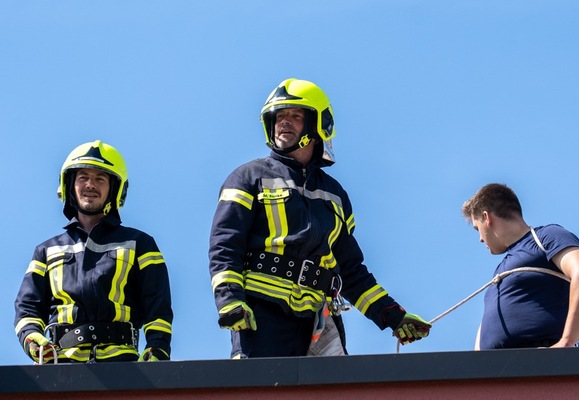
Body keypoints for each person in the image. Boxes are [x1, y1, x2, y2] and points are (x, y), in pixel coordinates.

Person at [208, 78, 430, 358]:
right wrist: (229, 300)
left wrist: (392, 316)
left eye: (295, 115)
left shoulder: (335, 194)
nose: (284, 122)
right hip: (261, 316)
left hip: (318, 320)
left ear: (317, 125)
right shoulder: (247, 177)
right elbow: (225, 246)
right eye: (279, 116)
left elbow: (350, 271)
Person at [14, 140, 173, 363]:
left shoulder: (140, 244)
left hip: (123, 366)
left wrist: (158, 349)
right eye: (83, 177)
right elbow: (27, 307)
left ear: (115, 189)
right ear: (69, 184)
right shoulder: (46, 251)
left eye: (100, 178)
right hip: (59, 366)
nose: (90, 184)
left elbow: (158, 305)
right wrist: (31, 337)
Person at [461, 183, 579, 350]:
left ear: (486, 217)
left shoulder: (546, 237)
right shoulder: (503, 270)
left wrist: (567, 342)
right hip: (497, 371)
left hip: (540, 363)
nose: (480, 239)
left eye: (477, 229)